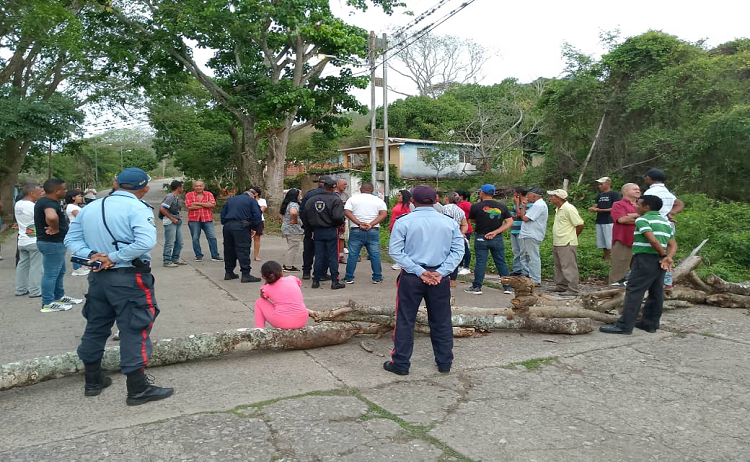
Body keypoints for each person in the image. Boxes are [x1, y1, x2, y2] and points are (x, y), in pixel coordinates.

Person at [65, 167, 174, 405]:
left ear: (116, 184)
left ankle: (93, 381)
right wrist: (114, 257)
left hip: (98, 278)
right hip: (128, 278)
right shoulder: (137, 207)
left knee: (96, 326)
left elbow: (71, 239)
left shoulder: (90, 207)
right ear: (145, 188)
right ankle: (137, 389)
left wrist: (93, 255)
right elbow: (145, 242)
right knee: (135, 327)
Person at [386, 185, 464, 375]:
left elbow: (396, 251)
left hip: (412, 277)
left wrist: (419, 271)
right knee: (442, 320)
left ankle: (401, 363)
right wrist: (441, 272)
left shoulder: (404, 221)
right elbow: (458, 251)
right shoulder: (449, 222)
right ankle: (445, 362)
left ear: (411, 200)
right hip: (439, 277)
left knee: (405, 319)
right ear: (436, 200)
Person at [600, 195, 677, 335]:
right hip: (659, 262)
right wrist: (668, 257)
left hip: (645, 259)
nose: (636, 206)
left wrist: (664, 256)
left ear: (647, 207)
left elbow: (652, 240)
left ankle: (624, 326)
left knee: (634, 291)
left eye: (639, 204)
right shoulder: (664, 221)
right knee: (656, 292)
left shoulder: (643, 220)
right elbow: (673, 244)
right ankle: (650, 324)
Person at [35, 178, 82, 312]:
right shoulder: (49, 203)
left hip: (54, 243)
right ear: (56, 191)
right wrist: (54, 228)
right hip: (51, 242)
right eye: (64, 189)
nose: (65, 191)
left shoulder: (48, 201)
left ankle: (59, 296)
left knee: (59, 271)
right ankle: (48, 302)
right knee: (51, 273)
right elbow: (51, 217)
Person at [464, 184, 514, 295]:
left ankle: (477, 287)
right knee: (501, 262)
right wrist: (496, 232)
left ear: (482, 192)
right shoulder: (502, 206)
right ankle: (507, 287)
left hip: (481, 237)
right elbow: (510, 222)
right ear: (493, 193)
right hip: (497, 237)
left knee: (481, 262)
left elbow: (470, 221)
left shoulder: (476, 206)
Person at [643, 168, 684, 289]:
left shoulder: (651, 193)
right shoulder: (666, 192)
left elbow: (645, 208)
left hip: (655, 224)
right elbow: (680, 203)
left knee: (655, 252)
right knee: (668, 250)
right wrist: (671, 213)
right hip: (667, 224)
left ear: (649, 178)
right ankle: (666, 282)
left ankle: (660, 280)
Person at [304, 177, 346, 289]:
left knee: (319, 256)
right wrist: (339, 223)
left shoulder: (313, 199)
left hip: (317, 231)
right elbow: (338, 216)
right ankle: (334, 281)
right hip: (331, 230)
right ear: (333, 187)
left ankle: (315, 280)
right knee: (332, 256)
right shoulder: (335, 199)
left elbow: (305, 213)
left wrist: (310, 228)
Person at [342, 182, 388, 284]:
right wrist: (371, 224)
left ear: (360, 189)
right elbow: (383, 214)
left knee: (353, 255)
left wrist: (359, 223)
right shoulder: (379, 201)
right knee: (375, 254)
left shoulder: (353, 199)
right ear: (372, 190)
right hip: (373, 230)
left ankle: (349, 277)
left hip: (356, 230)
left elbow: (347, 212)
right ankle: (377, 277)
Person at [220, 188, 263, 282]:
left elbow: (223, 214)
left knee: (229, 249)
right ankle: (245, 274)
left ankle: (229, 272)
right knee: (243, 249)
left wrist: (226, 223)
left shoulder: (231, 199)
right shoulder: (251, 201)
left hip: (228, 226)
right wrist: (254, 228)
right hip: (241, 226)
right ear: (254, 195)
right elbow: (257, 215)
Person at [548, 189, 585, 294]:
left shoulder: (569, 209)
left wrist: (573, 236)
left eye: (553, 196)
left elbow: (580, 224)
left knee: (568, 266)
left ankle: (573, 288)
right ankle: (561, 285)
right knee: (558, 265)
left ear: (559, 198)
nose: (551, 198)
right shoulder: (558, 209)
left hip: (567, 242)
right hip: (558, 241)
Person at [254, 261, 310, 329]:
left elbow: (263, 297)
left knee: (259, 302)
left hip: (282, 322)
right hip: (302, 320)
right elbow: (298, 285)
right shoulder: (292, 278)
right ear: (281, 272)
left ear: (263, 277)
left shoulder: (266, 288)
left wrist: (266, 282)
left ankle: (259, 328)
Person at [609, 183, 641, 286]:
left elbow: (650, 219)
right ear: (625, 191)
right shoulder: (618, 204)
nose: (638, 191)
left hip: (640, 241)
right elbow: (622, 219)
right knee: (618, 269)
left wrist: (634, 216)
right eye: (635, 189)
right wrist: (641, 218)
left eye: (639, 189)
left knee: (639, 270)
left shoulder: (642, 206)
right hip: (623, 240)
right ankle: (613, 293)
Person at [15, 183, 43, 298]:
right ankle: (35, 290)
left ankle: (20, 289)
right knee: (36, 266)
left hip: (22, 239)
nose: (40, 195)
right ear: (31, 193)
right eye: (38, 192)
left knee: (22, 265)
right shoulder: (33, 206)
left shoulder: (18, 204)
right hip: (34, 239)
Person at [516, 187, 548, 285]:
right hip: (529, 234)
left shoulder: (538, 205)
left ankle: (535, 279)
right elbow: (523, 216)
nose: (527, 197)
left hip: (532, 234)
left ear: (534, 195)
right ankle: (532, 277)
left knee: (533, 257)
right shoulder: (536, 205)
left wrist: (523, 208)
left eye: (529, 195)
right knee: (529, 256)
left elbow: (525, 218)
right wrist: (524, 206)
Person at [185, 180, 222, 262]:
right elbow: (189, 206)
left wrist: (196, 203)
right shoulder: (189, 195)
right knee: (195, 238)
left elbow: (212, 204)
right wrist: (205, 205)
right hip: (194, 219)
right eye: (196, 186)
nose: (198, 187)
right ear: (193, 187)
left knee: (212, 237)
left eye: (200, 186)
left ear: (203, 186)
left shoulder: (209, 194)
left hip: (207, 219)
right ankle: (198, 255)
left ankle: (215, 255)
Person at [300, 177, 327, 280]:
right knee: (323, 251)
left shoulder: (309, 194)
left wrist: (307, 226)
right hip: (324, 227)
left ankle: (306, 271)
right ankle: (320, 273)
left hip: (309, 227)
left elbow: (302, 211)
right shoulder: (331, 195)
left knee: (308, 250)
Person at [588, 177, 621, 262]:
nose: (599, 186)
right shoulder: (600, 195)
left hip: (610, 221)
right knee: (602, 241)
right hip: (600, 220)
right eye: (599, 184)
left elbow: (615, 208)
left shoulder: (614, 194)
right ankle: (606, 258)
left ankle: (614, 258)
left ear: (608, 183)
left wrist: (599, 210)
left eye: (601, 184)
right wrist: (593, 208)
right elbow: (596, 205)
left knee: (610, 240)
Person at [441, 192, 469, 288]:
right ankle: (453, 280)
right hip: (456, 236)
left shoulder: (444, 209)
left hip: (444, 236)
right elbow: (465, 224)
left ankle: (443, 277)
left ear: (447, 199)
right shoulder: (460, 210)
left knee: (443, 256)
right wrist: (461, 233)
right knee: (454, 257)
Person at [159, 180, 185, 268]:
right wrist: (172, 218)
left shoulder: (176, 197)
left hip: (177, 220)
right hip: (170, 222)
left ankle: (175, 258)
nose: (183, 188)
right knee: (170, 242)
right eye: (182, 187)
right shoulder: (170, 196)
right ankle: (167, 260)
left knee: (179, 242)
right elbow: (162, 208)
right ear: (178, 188)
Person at [279, 188, 304, 272]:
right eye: (299, 194)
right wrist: (295, 220)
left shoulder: (286, 203)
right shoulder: (294, 204)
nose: (300, 196)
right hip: (294, 230)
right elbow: (293, 212)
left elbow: (280, 214)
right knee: (293, 248)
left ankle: (287, 264)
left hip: (286, 228)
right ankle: (288, 266)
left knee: (291, 246)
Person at [65, 190, 89, 276]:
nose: (81, 198)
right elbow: (81, 217)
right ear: (73, 197)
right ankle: (77, 268)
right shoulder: (72, 207)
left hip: (78, 229)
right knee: (76, 249)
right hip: (76, 229)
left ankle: (81, 266)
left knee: (80, 247)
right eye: (79, 196)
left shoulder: (74, 206)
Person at [388, 189, 412, 271]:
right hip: (394, 226)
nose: (398, 197)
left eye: (399, 195)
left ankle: (401, 263)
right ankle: (399, 262)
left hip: (402, 228)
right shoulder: (399, 204)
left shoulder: (408, 205)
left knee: (402, 245)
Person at [510, 187, 531, 275]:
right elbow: (512, 216)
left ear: (518, 194)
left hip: (521, 231)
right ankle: (517, 269)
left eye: (514, 193)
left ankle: (525, 271)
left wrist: (518, 205)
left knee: (523, 252)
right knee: (516, 251)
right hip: (514, 229)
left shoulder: (527, 204)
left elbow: (520, 215)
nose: (513, 195)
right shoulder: (515, 205)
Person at [456, 190, 473, 275]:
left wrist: (468, 221)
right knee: (458, 248)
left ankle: (467, 267)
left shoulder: (466, 204)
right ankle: (460, 265)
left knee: (465, 248)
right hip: (458, 229)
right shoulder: (457, 204)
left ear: (461, 196)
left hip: (466, 229)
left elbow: (473, 213)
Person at [249, 186, 266, 262]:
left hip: (259, 221)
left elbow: (261, 211)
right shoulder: (248, 200)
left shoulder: (262, 201)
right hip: (248, 220)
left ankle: (256, 256)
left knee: (257, 238)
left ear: (257, 193)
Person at [334, 178, 349, 264]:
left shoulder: (346, 195)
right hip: (334, 220)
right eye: (344, 184)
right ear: (338, 184)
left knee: (342, 237)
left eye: (346, 184)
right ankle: (334, 255)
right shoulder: (333, 194)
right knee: (334, 238)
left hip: (343, 219)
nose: (345, 186)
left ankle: (341, 255)